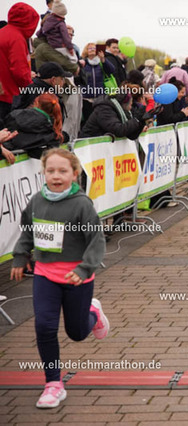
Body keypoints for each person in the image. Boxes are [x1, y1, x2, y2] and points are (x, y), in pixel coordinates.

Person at [10, 147, 109, 409]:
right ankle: (53, 383)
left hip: (76, 277)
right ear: (43, 173)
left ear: (74, 174)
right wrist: (20, 256)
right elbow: (27, 230)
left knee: (76, 333)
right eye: (50, 171)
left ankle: (93, 313)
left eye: (62, 171)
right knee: (44, 327)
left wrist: (84, 269)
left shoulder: (82, 204)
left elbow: (96, 240)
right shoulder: (36, 201)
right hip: (45, 275)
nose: (56, 176)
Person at [0, 2, 40, 121]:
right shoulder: (17, 38)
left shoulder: (3, 33)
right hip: (9, 96)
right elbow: (19, 72)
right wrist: (30, 88)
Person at [2, 93, 66, 159]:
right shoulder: (52, 132)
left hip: (5, 154)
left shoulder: (15, 115)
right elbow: (49, 155)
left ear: (36, 102)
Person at [79, 92, 150, 139]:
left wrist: (141, 121)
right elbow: (119, 130)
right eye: (130, 105)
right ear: (124, 103)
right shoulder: (104, 110)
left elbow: (131, 135)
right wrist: (136, 119)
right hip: (88, 148)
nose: (131, 108)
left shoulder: (121, 111)